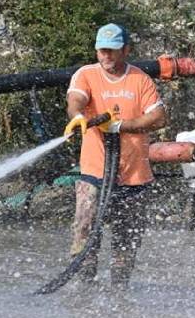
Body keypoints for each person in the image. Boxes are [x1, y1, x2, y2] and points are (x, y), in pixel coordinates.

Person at [61, 23, 168, 286]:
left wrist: (121, 126)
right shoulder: (85, 75)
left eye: (112, 51)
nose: (106, 56)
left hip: (134, 177)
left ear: (126, 50)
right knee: (85, 234)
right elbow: (75, 99)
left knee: (126, 244)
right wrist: (76, 117)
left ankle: (120, 304)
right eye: (102, 51)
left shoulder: (140, 80)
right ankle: (84, 296)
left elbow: (159, 117)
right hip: (94, 174)